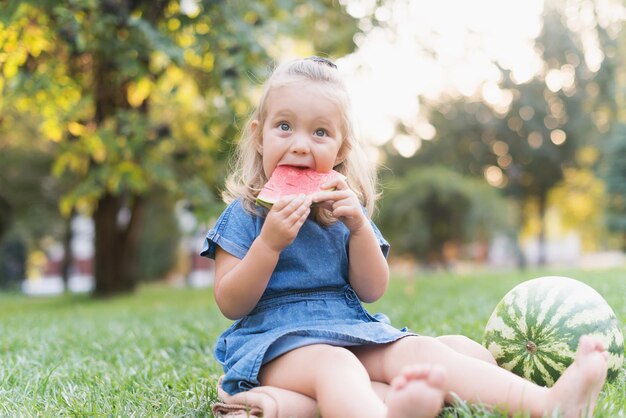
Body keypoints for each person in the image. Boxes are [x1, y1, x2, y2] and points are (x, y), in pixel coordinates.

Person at [201, 56, 609, 418]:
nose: (302, 145)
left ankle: (549, 404)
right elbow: (231, 302)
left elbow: (373, 289)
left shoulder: (343, 211)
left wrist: (359, 227)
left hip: (349, 329)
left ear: (341, 148)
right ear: (259, 134)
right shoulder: (246, 212)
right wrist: (268, 245)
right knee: (337, 368)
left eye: (321, 132)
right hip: (274, 346)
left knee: (423, 353)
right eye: (285, 126)